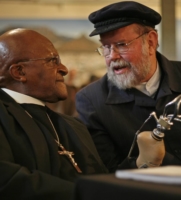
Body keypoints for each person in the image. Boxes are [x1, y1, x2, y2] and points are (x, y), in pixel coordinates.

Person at [75, 1, 181, 172]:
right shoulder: (92, 101)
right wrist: (142, 163)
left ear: (150, 42)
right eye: (106, 47)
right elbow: (105, 173)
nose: (112, 56)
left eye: (121, 45)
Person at [0, 28, 108, 200]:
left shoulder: (73, 125)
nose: (64, 69)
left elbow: (101, 176)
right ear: (19, 72)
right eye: (52, 61)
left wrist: (145, 163)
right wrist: (87, 193)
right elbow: (8, 181)